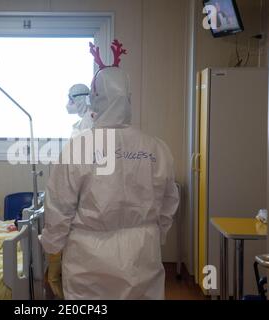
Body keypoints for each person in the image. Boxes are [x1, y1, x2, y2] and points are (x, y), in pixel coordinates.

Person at [40, 40, 179, 300]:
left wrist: (53, 254)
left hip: (89, 260)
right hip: (142, 256)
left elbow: (59, 206)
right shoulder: (156, 148)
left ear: (95, 99)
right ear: (128, 99)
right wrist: (152, 234)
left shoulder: (80, 147)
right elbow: (169, 203)